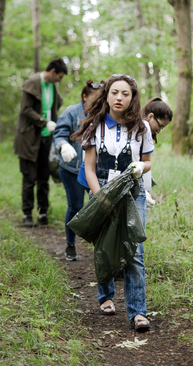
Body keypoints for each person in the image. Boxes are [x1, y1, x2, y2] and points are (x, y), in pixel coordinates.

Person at [70, 74, 153, 332]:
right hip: (102, 189)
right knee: (104, 244)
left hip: (132, 192)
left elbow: (149, 161)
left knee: (134, 250)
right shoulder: (94, 126)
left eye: (125, 94)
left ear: (132, 98)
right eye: (115, 92)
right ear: (106, 95)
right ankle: (105, 296)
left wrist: (141, 166)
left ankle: (138, 312)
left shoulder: (142, 127)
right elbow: (90, 168)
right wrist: (101, 199)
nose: (119, 98)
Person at [53, 79, 104, 261]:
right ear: (84, 97)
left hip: (95, 170)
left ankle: (101, 246)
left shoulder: (104, 114)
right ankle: (70, 244)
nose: (99, 101)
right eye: (95, 98)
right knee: (75, 207)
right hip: (71, 169)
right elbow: (58, 135)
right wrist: (63, 146)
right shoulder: (70, 113)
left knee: (99, 206)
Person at [14, 58, 67, 227]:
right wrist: (44, 122)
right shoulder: (32, 83)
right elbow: (25, 110)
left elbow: (56, 107)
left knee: (44, 177)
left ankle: (43, 212)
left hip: (47, 139)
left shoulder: (53, 86)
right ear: (52, 72)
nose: (60, 80)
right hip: (29, 139)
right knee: (29, 177)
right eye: (59, 77)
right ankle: (27, 214)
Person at [140, 97, 173, 206]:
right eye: (160, 126)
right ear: (150, 116)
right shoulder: (144, 127)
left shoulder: (146, 130)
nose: (159, 131)